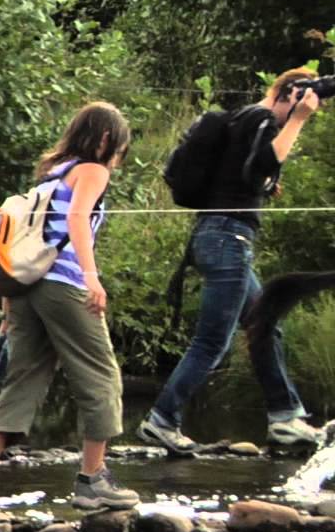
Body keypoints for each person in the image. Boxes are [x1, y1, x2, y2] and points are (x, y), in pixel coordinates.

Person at [0, 102, 139, 514]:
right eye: (119, 147)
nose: (117, 156)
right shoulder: (92, 171)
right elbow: (78, 220)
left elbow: (22, 239)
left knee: (20, 381)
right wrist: (92, 278)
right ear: (106, 138)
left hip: (25, 289)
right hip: (64, 286)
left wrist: (8, 307)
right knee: (101, 375)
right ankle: (93, 481)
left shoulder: (51, 175)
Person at [138, 70, 324, 453]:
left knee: (264, 324)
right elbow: (264, 165)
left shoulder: (243, 122)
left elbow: (251, 172)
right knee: (212, 341)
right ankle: (162, 420)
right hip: (228, 239)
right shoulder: (260, 119)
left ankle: (285, 418)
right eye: (298, 103)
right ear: (288, 93)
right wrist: (299, 119)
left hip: (220, 236)